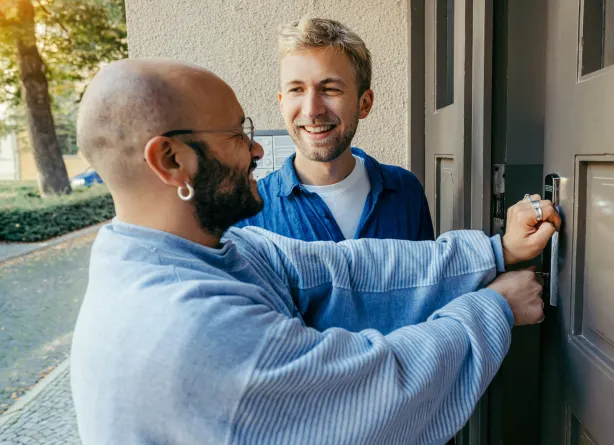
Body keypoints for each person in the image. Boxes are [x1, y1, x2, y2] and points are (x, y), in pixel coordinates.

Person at [69, 58, 561, 445]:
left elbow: (348, 269)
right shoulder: (189, 328)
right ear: (171, 160)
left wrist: (495, 250)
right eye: (238, 134)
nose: (258, 150)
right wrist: (494, 307)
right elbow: (379, 392)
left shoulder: (215, 248)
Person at [234, 18, 434, 242]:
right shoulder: (247, 212)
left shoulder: (406, 192)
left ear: (364, 103)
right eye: (296, 90)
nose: (312, 111)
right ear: (282, 104)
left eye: (330, 89)